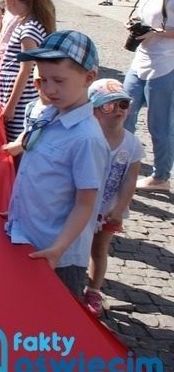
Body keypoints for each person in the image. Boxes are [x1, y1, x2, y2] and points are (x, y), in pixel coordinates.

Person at [5, 30, 108, 299]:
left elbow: (85, 203)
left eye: (59, 81)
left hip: (57, 256)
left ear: (88, 78)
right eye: (43, 80)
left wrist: (59, 248)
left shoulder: (86, 138)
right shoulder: (50, 114)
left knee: (51, 327)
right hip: (27, 236)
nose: (49, 90)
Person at [83, 78, 143, 316]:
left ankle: (94, 290)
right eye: (108, 106)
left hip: (110, 208)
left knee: (99, 250)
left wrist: (119, 210)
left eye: (123, 104)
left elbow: (130, 179)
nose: (117, 110)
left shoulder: (133, 144)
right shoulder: (86, 137)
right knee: (75, 245)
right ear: (93, 110)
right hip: (81, 205)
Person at [123, 0, 174, 191]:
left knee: (159, 125)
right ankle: (120, 164)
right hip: (140, 61)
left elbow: (163, 28)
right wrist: (133, 22)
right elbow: (141, 16)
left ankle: (161, 177)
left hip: (165, 66)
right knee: (121, 113)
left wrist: (159, 33)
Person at [0, 0, 56, 144]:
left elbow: (26, 69)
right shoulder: (24, 22)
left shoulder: (29, 30)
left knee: (17, 142)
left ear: (11, 0)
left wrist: (11, 105)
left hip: (21, 101)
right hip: (14, 96)